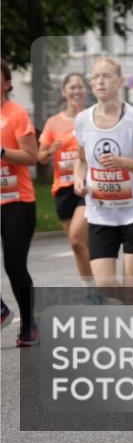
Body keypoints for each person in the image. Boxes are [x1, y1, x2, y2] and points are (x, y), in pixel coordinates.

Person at [74, 57, 133, 306]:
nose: (100, 81)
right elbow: (81, 159)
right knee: (105, 284)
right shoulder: (83, 120)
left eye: (107, 76)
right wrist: (78, 178)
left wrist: (124, 163)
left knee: (132, 284)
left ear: (120, 81)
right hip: (101, 212)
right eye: (95, 77)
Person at [38, 73, 96, 298]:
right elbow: (41, 157)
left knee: (76, 238)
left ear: (85, 91)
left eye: (80, 87)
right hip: (62, 190)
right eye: (72, 87)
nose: (76, 91)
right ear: (64, 92)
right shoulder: (53, 123)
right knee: (79, 245)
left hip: (86, 187)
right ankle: (94, 288)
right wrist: (51, 150)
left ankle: (94, 290)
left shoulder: (92, 118)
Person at [1, 58, 40, 346]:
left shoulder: (16, 114)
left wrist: (2, 151)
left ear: (7, 83)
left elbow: (31, 156)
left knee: (14, 265)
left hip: (18, 201)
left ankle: (28, 324)